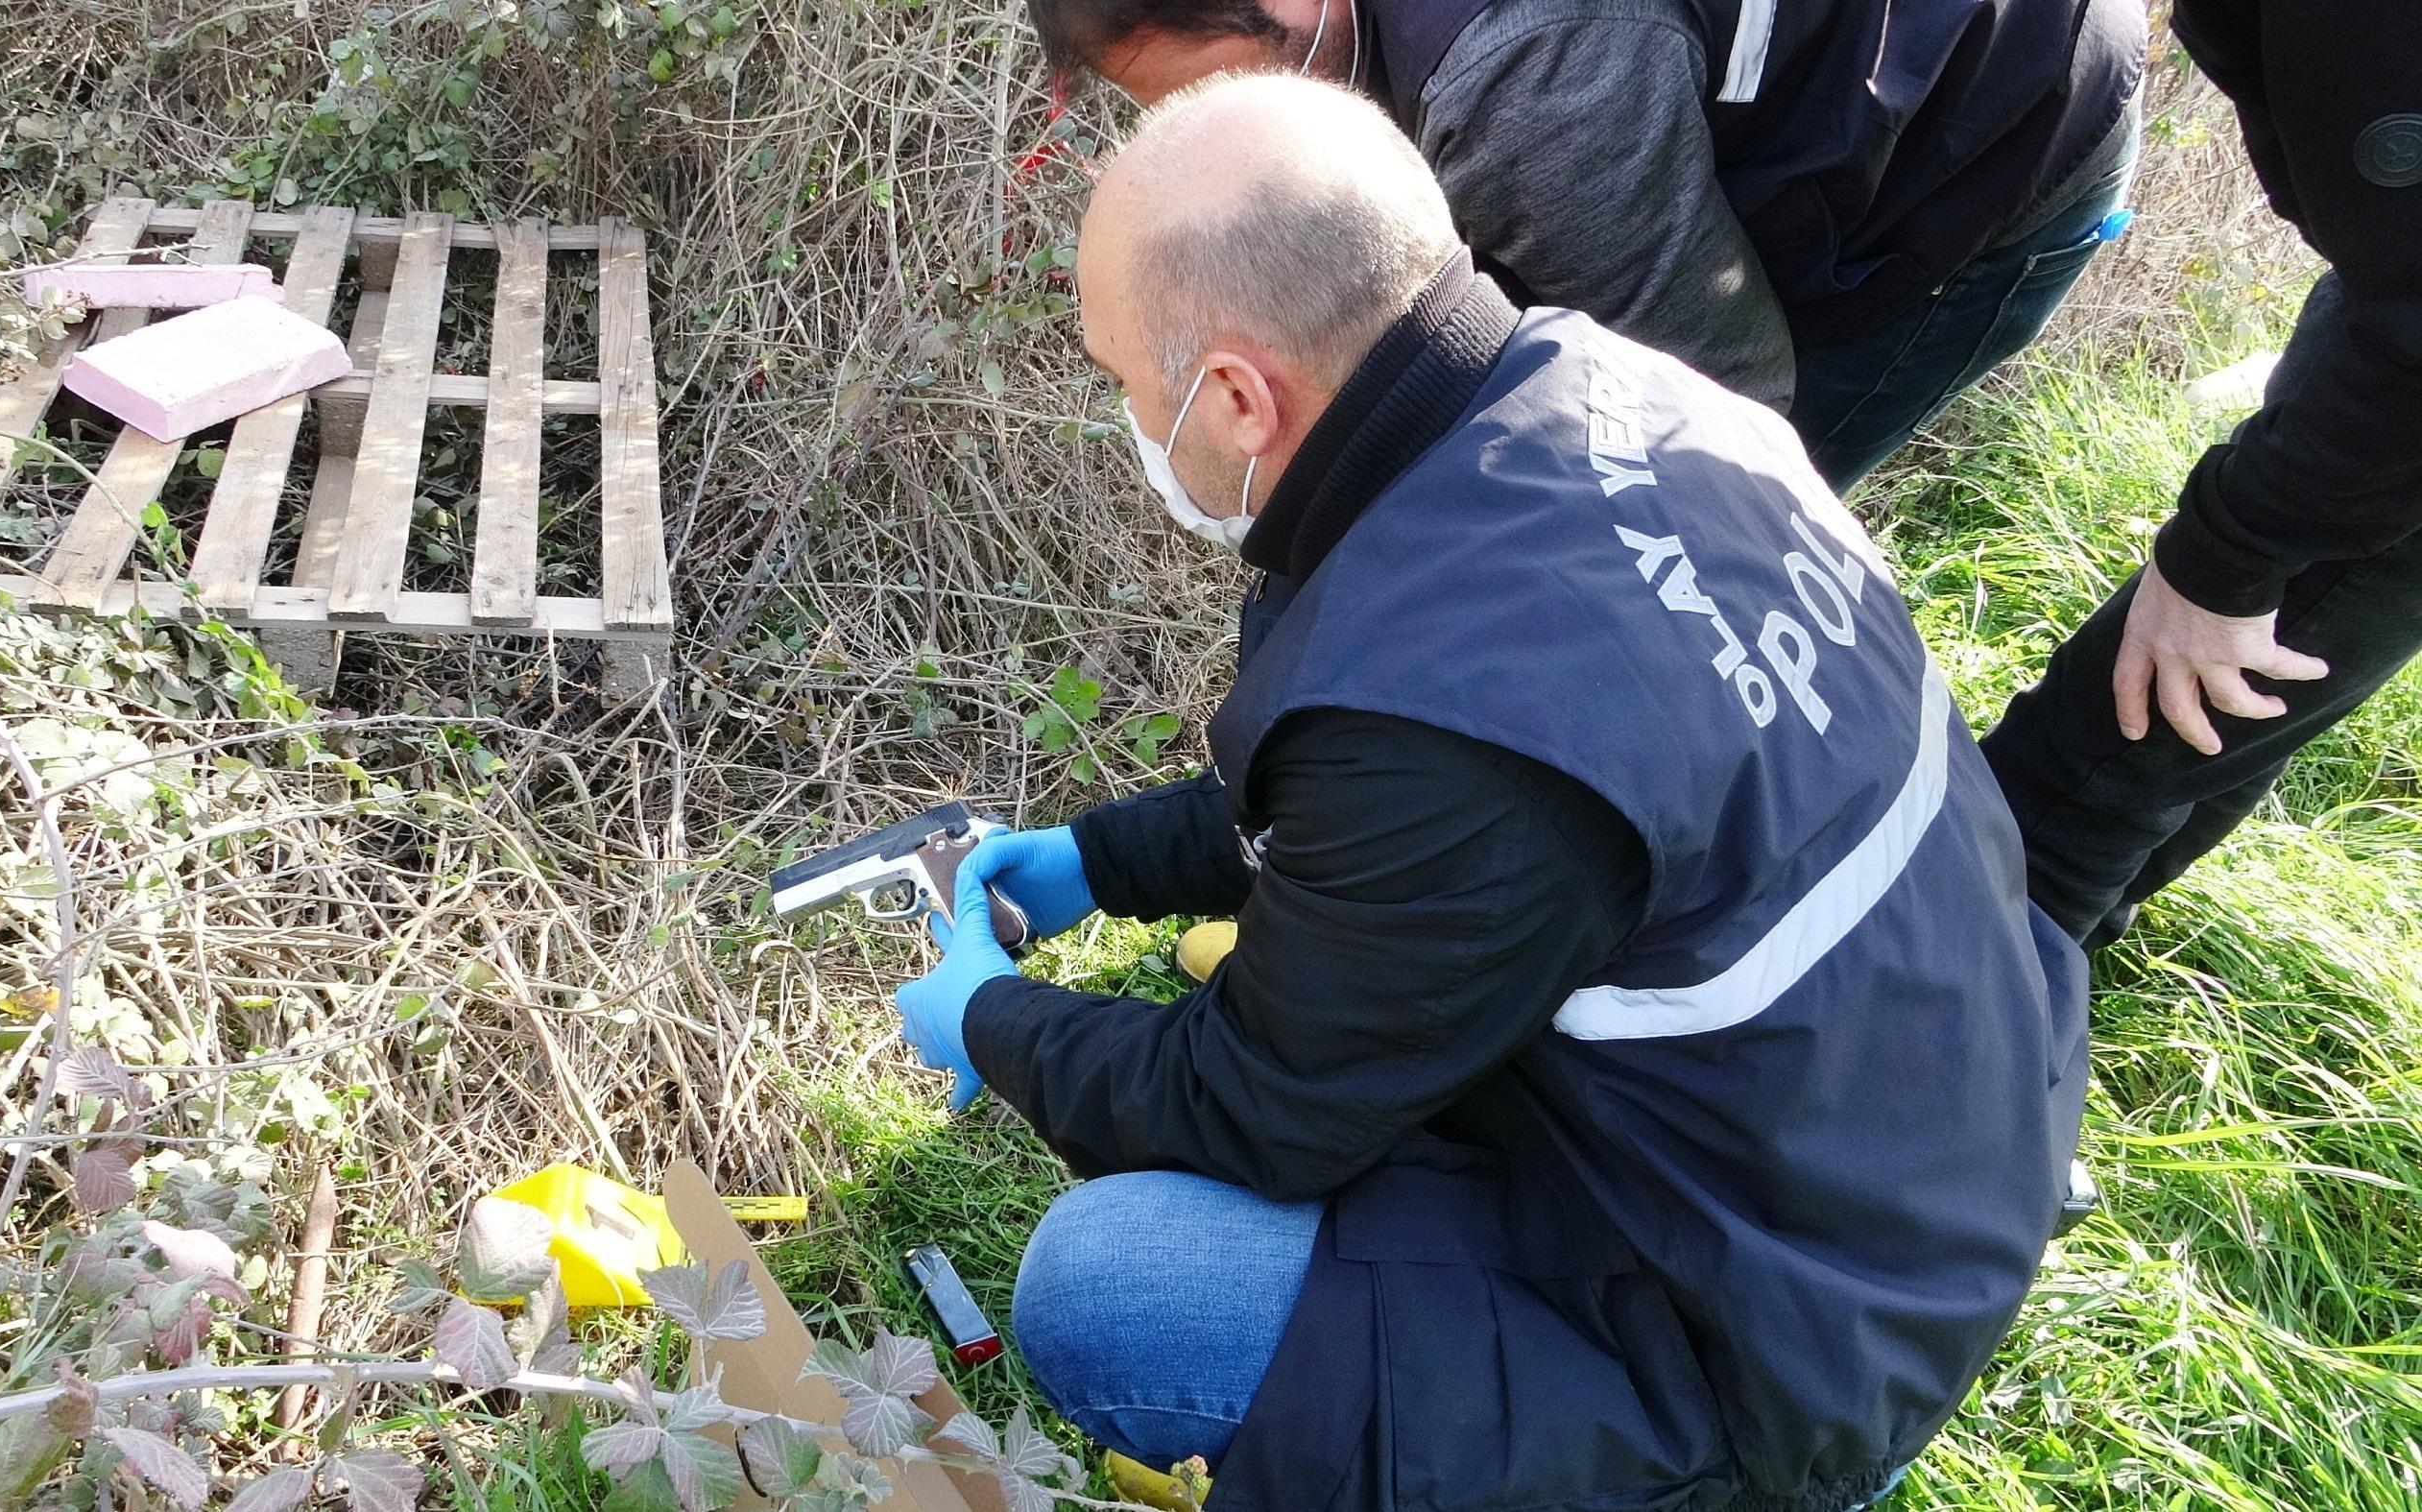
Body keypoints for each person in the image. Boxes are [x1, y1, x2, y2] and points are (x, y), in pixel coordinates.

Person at [895, 74, 2088, 1512]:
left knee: (1111, 1282)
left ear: (1233, 396)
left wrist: (990, 1017)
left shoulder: (1446, 740)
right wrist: (1104, 858)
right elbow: (1388, 817)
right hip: (1905, 1152)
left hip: (1779, 1335)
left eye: (1125, 384)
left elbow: (1253, 1099)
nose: (1130, 419)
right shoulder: (1612, 391)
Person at [1019, 0, 2146, 492]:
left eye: (1243, 88)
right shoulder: (1501, 83)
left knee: (1706, 520)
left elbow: (1722, 397)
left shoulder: (1526, 72)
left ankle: (1677, 852)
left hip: (1994, 124)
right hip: (1715, 85)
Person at [1981, 3, 2422, 948]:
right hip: (2391, 313)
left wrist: (2226, 562)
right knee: (2231, 705)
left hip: (2403, 379)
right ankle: (2047, 954)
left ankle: (1925, 1036)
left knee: (2089, 764)